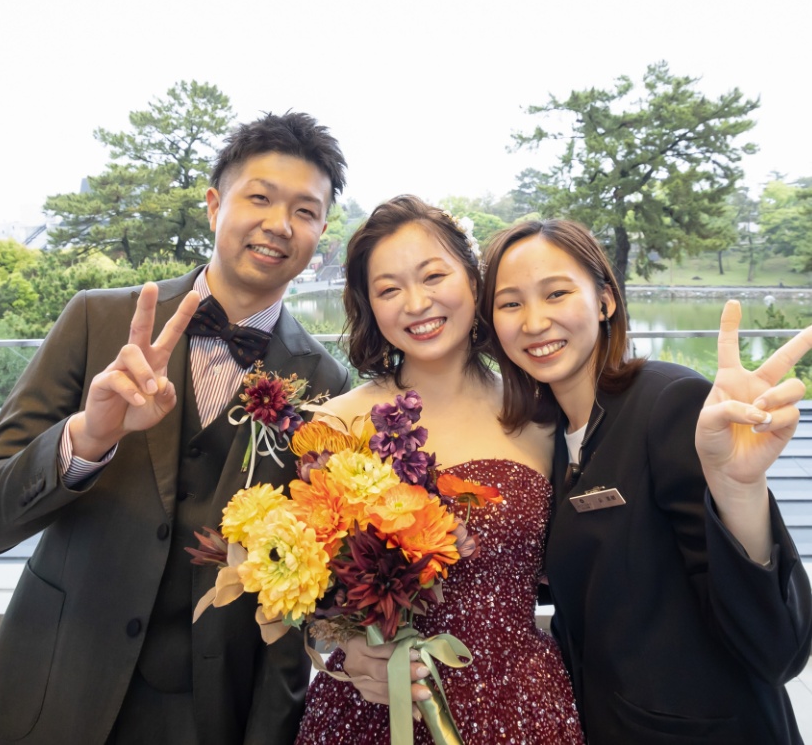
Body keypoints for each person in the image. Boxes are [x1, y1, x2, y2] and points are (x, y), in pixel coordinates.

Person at [0, 111, 352, 745]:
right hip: (56, 683)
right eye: (260, 197)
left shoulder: (327, 383)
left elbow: (298, 596)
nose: (279, 224)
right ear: (215, 205)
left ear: (321, 231)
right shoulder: (96, 320)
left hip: (208, 711)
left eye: (304, 211)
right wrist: (87, 440)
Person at [480, 218, 812, 744]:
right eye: (510, 303)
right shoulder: (547, 437)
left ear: (605, 300)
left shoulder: (668, 402)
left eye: (556, 293)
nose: (535, 321)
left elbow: (777, 649)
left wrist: (740, 490)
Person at [294, 196, 585, 744]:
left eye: (433, 276)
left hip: (519, 701)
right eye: (388, 290)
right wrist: (347, 648)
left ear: (473, 280)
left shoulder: (544, 417)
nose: (416, 303)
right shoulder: (336, 424)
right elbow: (309, 591)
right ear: (369, 305)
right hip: (374, 706)